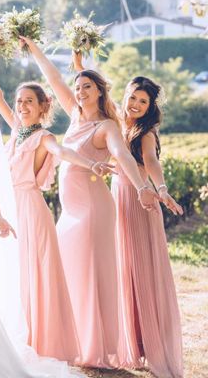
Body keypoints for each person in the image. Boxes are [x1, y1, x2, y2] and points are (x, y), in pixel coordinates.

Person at [23, 37, 159, 368]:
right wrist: (32, 48)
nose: (80, 92)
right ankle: (78, 343)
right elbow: (54, 77)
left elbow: (122, 155)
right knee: (71, 273)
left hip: (94, 211)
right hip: (70, 212)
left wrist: (142, 185)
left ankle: (97, 349)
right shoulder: (73, 115)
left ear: (99, 91)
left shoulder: (107, 126)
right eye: (78, 87)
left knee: (92, 275)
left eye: (87, 87)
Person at [0, 48, 116, 362]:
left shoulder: (43, 136)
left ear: (42, 107)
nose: (22, 106)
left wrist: (89, 164)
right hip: (12, 209)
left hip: (31, 210)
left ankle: (42, 342)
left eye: (29, 101)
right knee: (12, 272)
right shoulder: (18, 132)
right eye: (20, 101)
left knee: (32, 273)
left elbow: (63, 152)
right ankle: (17, 333)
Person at [74, 54, 184, 377]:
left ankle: (153, 345)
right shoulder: (115, 122)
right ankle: (133, 344)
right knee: (125, 271)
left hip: (140, 202)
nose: (135, 104)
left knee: (142, 272)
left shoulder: (145, 133)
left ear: (150, 107)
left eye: (143, 101)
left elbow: (151, 163)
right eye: (133, 97)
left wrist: (160, 189)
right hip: (117, 201)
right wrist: (81, 64)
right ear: (124, 96)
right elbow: (90, 89)